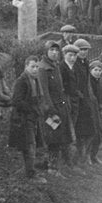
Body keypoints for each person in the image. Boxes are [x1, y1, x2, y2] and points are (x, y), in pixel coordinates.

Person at [38, 40, 75, 171]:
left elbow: (60, 88)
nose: (54, 53)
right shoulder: (43, 68)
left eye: (56, 50)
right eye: (51, 50)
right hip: (51, 109)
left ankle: (60, 165)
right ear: (46, 52)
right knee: (53, 138)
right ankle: (52, 167)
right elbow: (44, 91)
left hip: (61, 107)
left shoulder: (55, 66)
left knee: (62, 136)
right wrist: (50, 109)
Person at [8, 55, 45, 179]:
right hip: (23, 118)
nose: (35, 69)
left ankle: (29, 169)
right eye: (32, 66)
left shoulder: (35, 80)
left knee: (32, 144)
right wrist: (31, 109)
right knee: (30, 145)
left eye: (37, 67)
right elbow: (16, 101)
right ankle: (30, 173)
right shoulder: (22, 81)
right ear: (26, 67)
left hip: (33, 117)